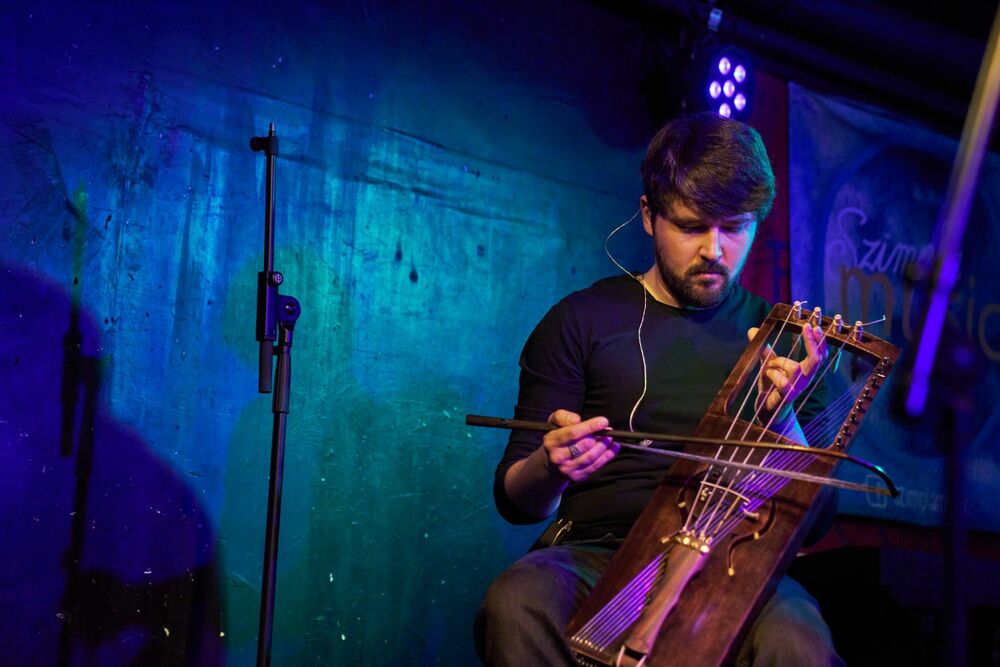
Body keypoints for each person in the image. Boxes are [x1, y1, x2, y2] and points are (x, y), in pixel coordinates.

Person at [474, 112, 843, 666]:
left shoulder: (791, 346)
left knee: (797, 641)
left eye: (735, 227)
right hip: (597, 552)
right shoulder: (581, 320)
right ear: (649, 215)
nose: (715, 250)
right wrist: (551, 465)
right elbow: (516, 500)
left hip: (734, 566)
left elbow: (817, 522)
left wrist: (784, 420)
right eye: (692, 226)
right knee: (518, 601)